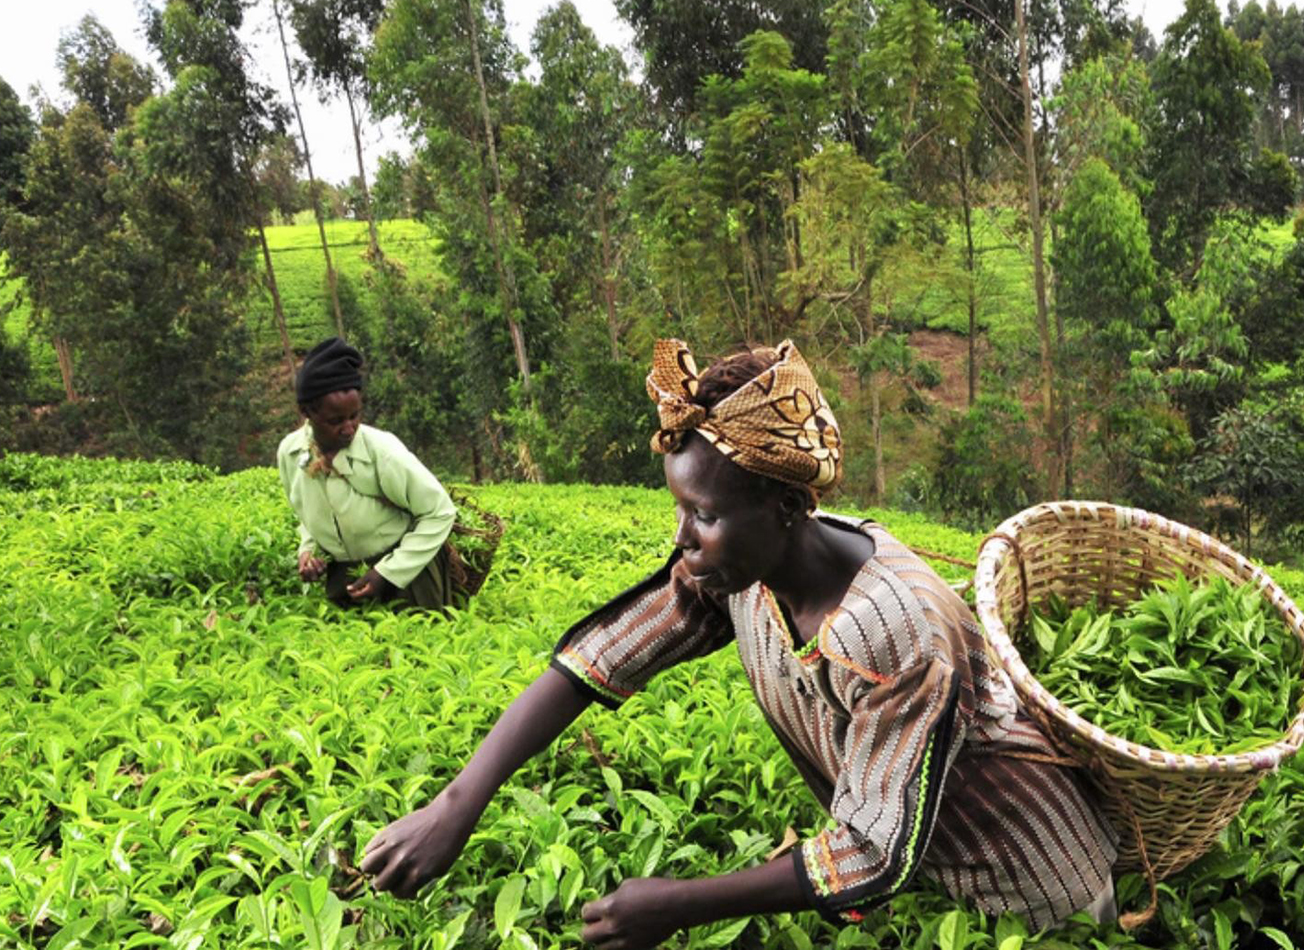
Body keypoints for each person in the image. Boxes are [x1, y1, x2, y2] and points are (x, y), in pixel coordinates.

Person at [358, 339, 1118, 945]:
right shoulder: (742, 571)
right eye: (679, 510)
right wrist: (456, 805)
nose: (682, 540)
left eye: (703, 516)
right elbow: (606, 654)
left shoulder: (896, 632)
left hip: (1032, 886)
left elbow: (871, 854)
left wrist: (676, 905)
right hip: (929, 875)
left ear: (785, 506)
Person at [277, 337, 458, 611]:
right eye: (336, 421)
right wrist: (308, 552)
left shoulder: (381, 452)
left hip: (408, 576)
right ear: (306, 413)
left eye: (355, 416)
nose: (349, 428)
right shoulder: (291, 454)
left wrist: (388, 572)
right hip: (345, 578)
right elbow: (306, 514)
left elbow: (440, 511)